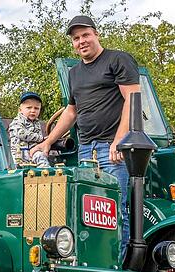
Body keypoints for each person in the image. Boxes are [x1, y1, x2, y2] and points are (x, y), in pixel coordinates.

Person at [30, 15, 140, 258]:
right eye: (76, 38)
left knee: (115, 211)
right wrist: (47, 142)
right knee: (89, 214)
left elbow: (132, 99)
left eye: (85, 35)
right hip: (86, 151)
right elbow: (72, 111)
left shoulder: (117, 60)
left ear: (96, 34)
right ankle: (92, 270)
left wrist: (119, 140)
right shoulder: (75, 73)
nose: (81, 41)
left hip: (112, 150)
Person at [7, 91, 50, 168]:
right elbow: (21, 134)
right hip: (19, 153)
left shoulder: (37, 123)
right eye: (29, 107)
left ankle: (46, 173)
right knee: (17, 169)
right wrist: (41, 138)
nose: (33, 110)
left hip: (33, 151)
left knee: (42, 158)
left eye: (36, 108)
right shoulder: (17, 121)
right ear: (20, 110)